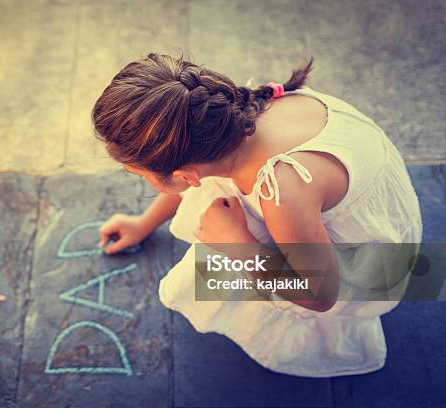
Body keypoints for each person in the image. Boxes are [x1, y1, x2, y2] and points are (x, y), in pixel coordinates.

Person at [91, 52, 422, 377]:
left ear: (185, 176)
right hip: (372, 222)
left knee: (224, 248)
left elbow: (320, 294)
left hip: (367, 269)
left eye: (139, 175)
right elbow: (198, 179)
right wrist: (144, 223)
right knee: (224, 207)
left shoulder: (282, 188)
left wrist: (238, 244)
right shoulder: (240, 113)